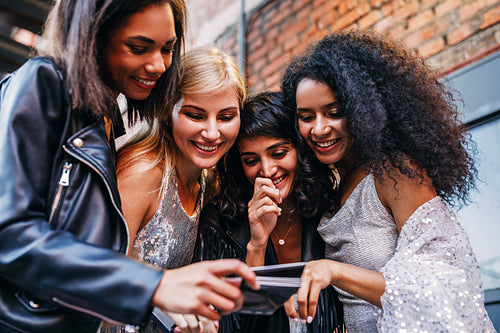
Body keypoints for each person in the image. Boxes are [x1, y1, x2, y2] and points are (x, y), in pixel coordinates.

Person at [0, 1, 258, 332]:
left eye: (168, 49)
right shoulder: (43, 81)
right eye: (139, 47)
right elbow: (10, 233)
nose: (160, 66)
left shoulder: (103, 119)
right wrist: (155, 286)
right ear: (93, 34)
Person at [281, 29, 495, 332]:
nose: (319, 128)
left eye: (334, 112)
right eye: (306, 116)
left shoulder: (395, 173)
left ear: (363, 108)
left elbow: (439, 289)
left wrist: (334, 271)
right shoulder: (331, 190)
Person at [112, 46, 245, 333]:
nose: (212, 133)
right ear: (167, 110)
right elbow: (100, 272)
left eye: (225, 117)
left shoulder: (207, 180)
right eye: (195, 115)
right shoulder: (144, 172)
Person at [193, 91, 345, 333]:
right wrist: (257, 245)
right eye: (251, 160)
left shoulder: (328, 208)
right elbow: (227, 325)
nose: (267, 170)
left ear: (300, 150)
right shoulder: (218, 223)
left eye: (278, 153)